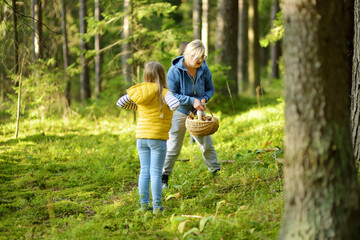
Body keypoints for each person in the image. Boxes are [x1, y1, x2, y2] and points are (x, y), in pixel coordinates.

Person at [116, 61, 180, 213]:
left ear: (146, 75)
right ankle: (157, 207)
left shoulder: (140, 93)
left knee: (144, 170)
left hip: (141, 137)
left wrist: (138, 105)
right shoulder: (164, 92)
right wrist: (165, 107)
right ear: (162, 75)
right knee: (156, 172)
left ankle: (144, 206)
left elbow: (120, 103)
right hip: (157, 137)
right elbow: (175, 104)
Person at [162, 40, 221, 188]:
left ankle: (215, 171)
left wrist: (204, 98)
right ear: (188, 55)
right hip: (179, 110)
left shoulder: (204, 68)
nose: (201, 60)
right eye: (197, 57)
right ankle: (164, 177)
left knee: (206, 143)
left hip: (199, 112)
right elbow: (171, 94)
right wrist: (191, 100)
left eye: (203, 56)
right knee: (173, 146)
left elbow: (210, 89)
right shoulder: (174, 71)